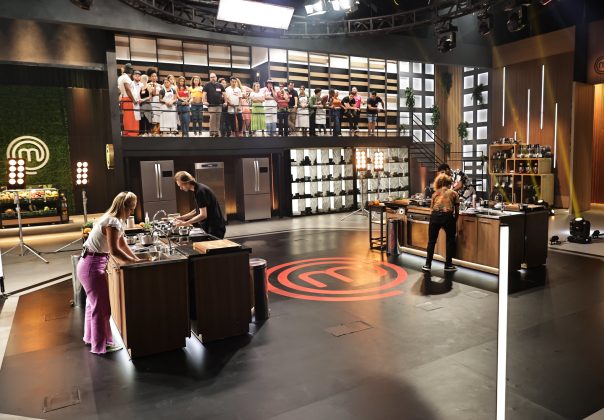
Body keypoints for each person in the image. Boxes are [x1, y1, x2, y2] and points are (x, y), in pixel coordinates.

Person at [77, 191, 142, 354]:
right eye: (131, 208)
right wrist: (132, 261)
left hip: (89, 263)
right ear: (124, 207)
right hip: (92, 265)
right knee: (102, 308)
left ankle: (91, 339)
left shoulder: (112, 219)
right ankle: (102, 345)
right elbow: (114, 250)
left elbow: (122, 245)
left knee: (93, 305)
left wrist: (136, 259)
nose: (132, 212)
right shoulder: (112, 222)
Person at [423, 173, 459, 272]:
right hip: (448, 216)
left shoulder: (435, 194)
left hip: (435, 216)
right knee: (450, 240)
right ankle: (448, 265)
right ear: (449, 184)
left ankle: (427, 265)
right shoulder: (454, 193)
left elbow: (432, 208)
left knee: (431, 241)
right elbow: (457, 210)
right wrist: (454, 221)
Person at [173, 171, 226, 239]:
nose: (180, 188)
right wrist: (182, 218)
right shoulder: (197, 189)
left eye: (181, 186)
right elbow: (197, 210)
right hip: (211, 226)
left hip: (214, 227)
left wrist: (186, 223)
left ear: (187, 182)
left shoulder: (200, 192)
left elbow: (203, 215)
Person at [117, 63, 139, 136]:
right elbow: (127, 89)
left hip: (125, 98)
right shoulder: (125, 77)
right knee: (130, 117)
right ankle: (131, 133)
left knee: (127, 117)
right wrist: (133, 100)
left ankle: (127, 132)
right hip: (129, 99)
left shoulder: (120, 77)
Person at [202, 73, 225, 138]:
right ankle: (212, 132)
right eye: (211, 77)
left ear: (216, 77)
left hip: (219, 105)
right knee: (212, 119)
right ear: (210, 78)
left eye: (214, 77)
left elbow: (224, 94)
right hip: (211, 105)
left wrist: (225, 102)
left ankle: (216, 132)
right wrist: (204, 101)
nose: (213, 78)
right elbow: (204, 94)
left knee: (218, 119)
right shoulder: (207, 85)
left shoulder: (220, 85)